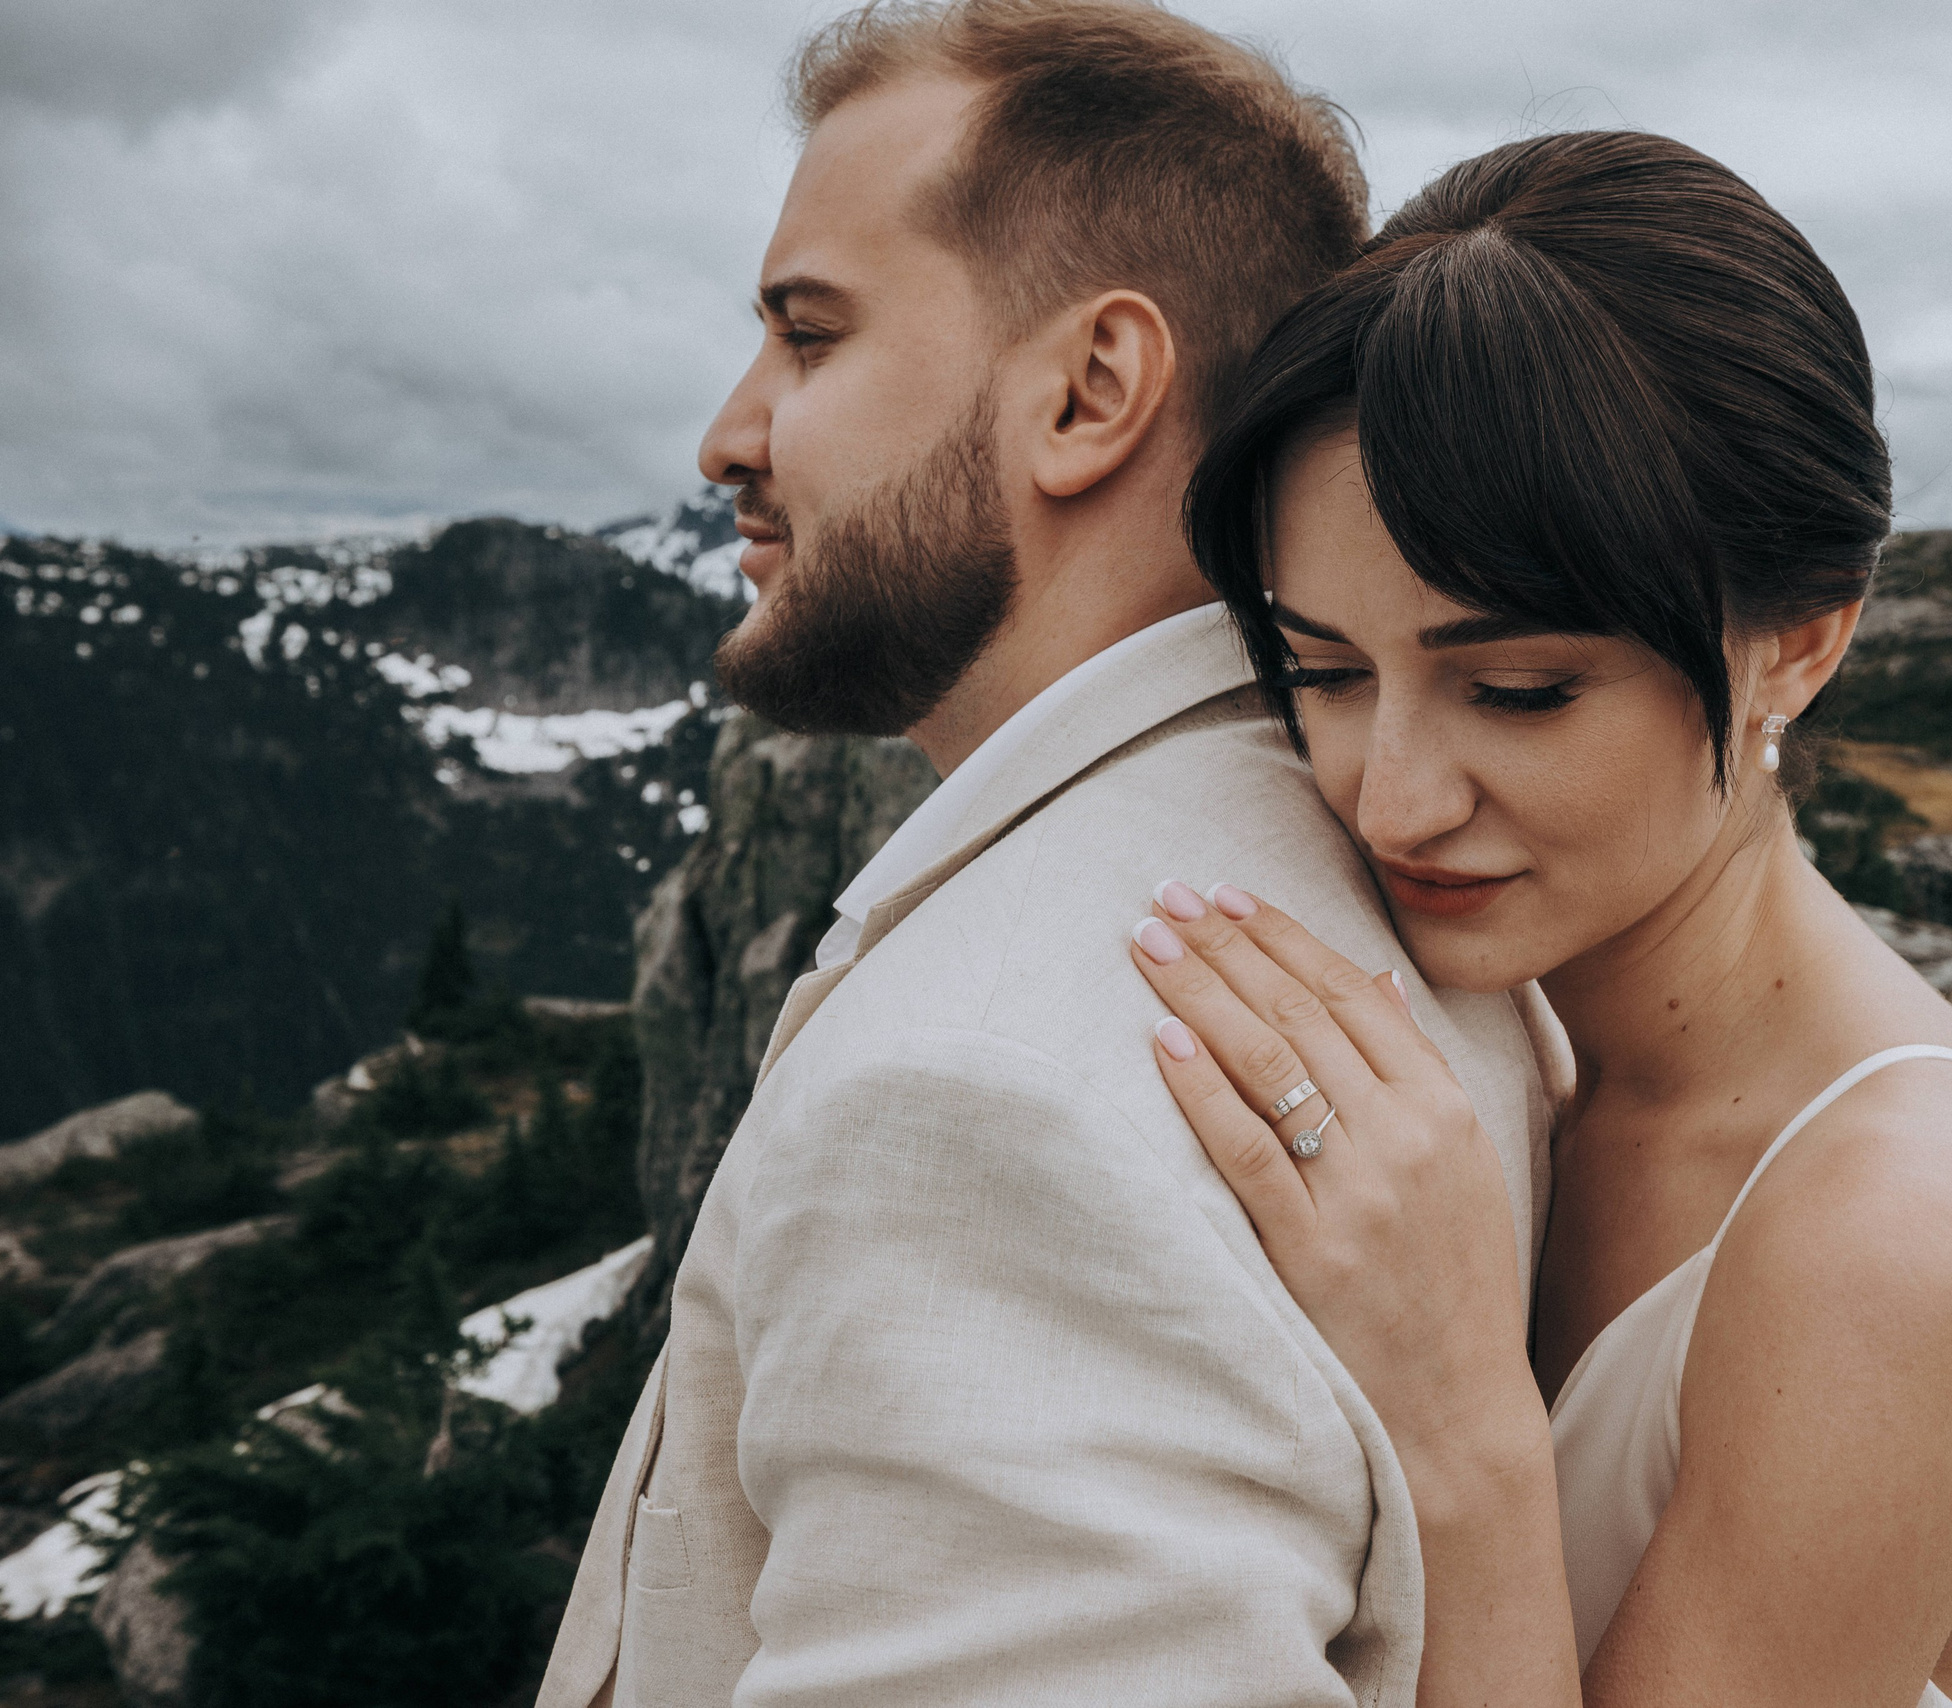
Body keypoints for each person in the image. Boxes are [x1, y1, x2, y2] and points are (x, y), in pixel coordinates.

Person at [536, 6, 1569, 1705]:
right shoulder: (1393, 882)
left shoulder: (980, 1094)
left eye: (809, 338)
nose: (731, 435)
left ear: (1090, 392)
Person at [1129, 131, 1952, 1706]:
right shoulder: (1512, 1025)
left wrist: (1461, 1421)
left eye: (1519, 689)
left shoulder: (1904, 1238)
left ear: (1800, 646)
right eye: (1322, 672)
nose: (1391, 798)